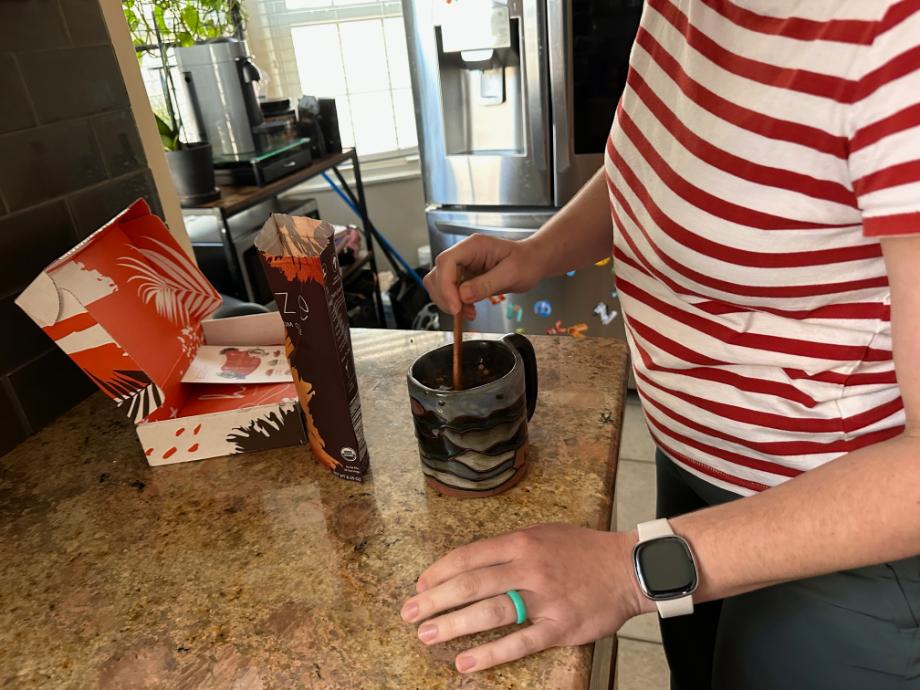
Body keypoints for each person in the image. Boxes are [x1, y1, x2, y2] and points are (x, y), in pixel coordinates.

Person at [400, 1, 920, 688]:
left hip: (840, 534)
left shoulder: (897, 39)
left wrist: (629, 572)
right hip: (693, 476)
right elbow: (652, 166)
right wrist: (537, 253)